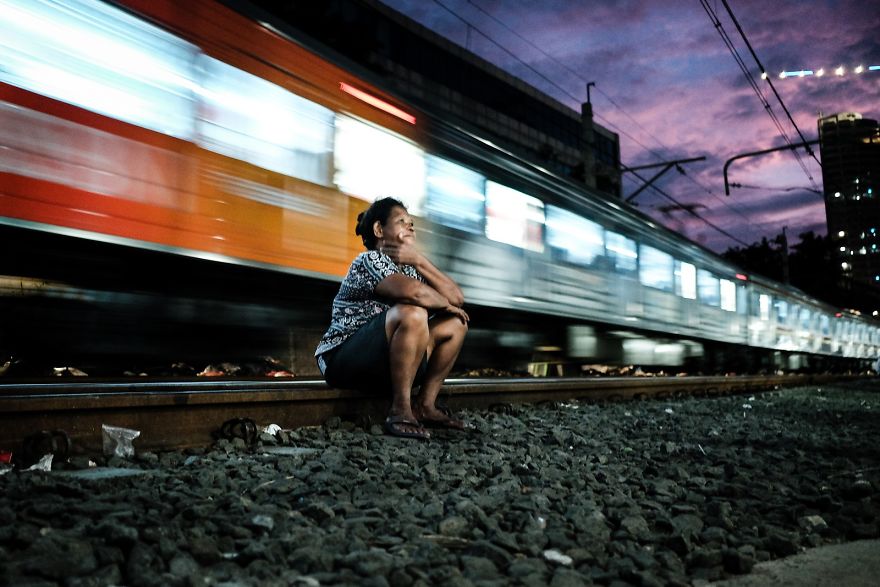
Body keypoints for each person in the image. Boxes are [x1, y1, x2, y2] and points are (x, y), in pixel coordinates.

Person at [314, 197, 469, 440]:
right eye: (401, 222)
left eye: (412, 224)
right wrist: (445, 304)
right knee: (412, 311)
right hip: (342, 358)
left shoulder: (411, 268)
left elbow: (457, 298)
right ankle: (400, 411)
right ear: (379, 230)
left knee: (456, 324)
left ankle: (425, 406)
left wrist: (418, 260)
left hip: (382, 360)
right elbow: (414, 293)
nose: (410, 227)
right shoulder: (369, 260)